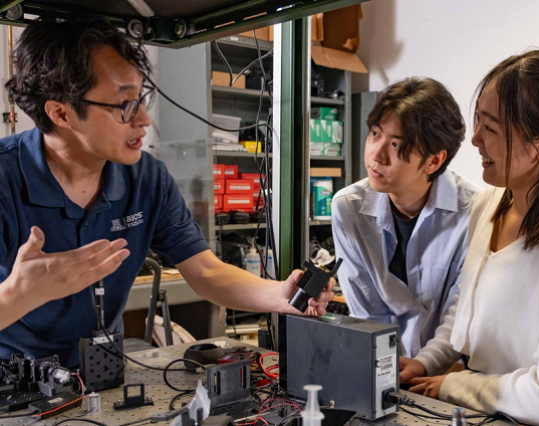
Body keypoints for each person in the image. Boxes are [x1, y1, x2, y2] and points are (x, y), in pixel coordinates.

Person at [0, 14, 333, 368]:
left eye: (142, 97)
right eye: (124, 105)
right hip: (14, 386)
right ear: (61, 113)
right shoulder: (6, 180)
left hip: (102, 375)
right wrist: (20, 294)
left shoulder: (146, 178)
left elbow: (205, 272)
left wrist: (279, 294)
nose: (144, 119)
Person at [400, 50, 539, 425]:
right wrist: (426, 362)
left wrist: (455, 385)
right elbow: (469, 305)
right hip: (481, 407)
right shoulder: (488, 203)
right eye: (477, 121)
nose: (475, 139)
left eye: (490, 128)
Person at [331, 77, 479, 357]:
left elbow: (463, 314)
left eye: (396, 145)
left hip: (447, 372)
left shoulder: (474, 212)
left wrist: (425, 366)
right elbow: (366, 312)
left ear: (433, 161)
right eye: (375, 134)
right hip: (380, 365)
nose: (377, 154)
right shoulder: (348, 209)